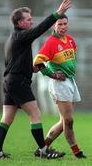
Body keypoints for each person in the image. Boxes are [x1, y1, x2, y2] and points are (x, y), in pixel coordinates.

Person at [0, 0, 72, 159]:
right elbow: (40, 30)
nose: (31, 22)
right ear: (20, 23)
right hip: (17, 82)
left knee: (6, 119)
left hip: (9, 81)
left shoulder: (14, 38)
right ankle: (43, 150)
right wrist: (58, 14)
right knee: (35, 114)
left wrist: (32, 68)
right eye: (28, 19)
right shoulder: (21, 36)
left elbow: (12, 63)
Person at [33, 14, 86, 158]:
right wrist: (53, 74)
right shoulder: (51, 42)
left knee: (64, 121)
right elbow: (37, 62)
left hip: (70, 81)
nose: (62, 27)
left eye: (64, 24)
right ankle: (77, 152)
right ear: (53, 26)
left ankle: (42, 148)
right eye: (59, 24)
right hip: (59, 84)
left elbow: (71, 58)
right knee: (68, 120)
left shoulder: (70, 40)